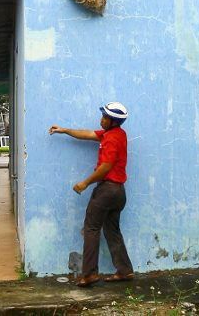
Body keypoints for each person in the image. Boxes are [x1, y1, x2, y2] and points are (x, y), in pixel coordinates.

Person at [49, 102, 135, 287]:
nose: (101, 119)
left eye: (105, 117)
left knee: (91, 228)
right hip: (118, 192)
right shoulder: (117, 134)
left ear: (113, 121)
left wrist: (85, 183)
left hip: (107, 191)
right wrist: (64, 130)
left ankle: (89, 274)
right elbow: (87, 134)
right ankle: (125, 270)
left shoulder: (111, 139)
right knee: (112, 231)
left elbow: (105, 167)